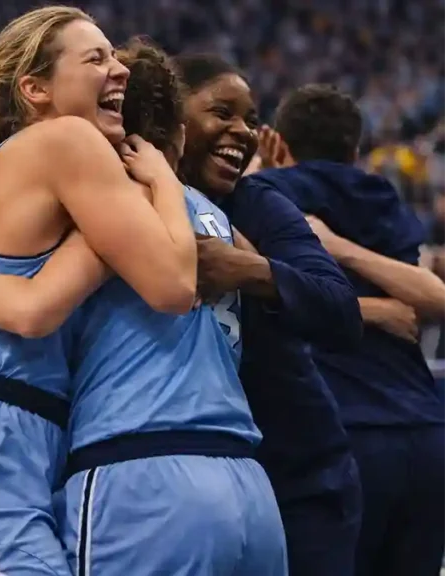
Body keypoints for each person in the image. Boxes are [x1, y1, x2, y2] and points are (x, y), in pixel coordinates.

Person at [0, 38, 285, 576]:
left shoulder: (105, 213)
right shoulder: (219, 225)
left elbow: (35, 306)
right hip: (248, 480)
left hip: (139, 473)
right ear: (180, 136)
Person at [0, 10, 200, 575]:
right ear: (35, 88)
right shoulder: (66, 138)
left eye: (115, 56)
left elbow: (37, 304)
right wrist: (163, 182)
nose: (120, 71)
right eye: (96, 59)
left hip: (2, 432)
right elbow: (175, 284)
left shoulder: (29, 158)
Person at [174, 56, 364, 576]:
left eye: (249, 118)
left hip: (297, 481)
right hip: (183, 487)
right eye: (222, 112)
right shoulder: (119, 202)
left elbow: (340, 311)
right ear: (171, 116)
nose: (243, 131)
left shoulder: (259, 205)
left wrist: (248, 269)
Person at [251, 83, 445, 576]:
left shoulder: (265, 196)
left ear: (280, 141)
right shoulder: (381, 194)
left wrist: (267, 177)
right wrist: (378, 310)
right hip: (424, 430)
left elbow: (256, 285)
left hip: (339, 433)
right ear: (355, 149)